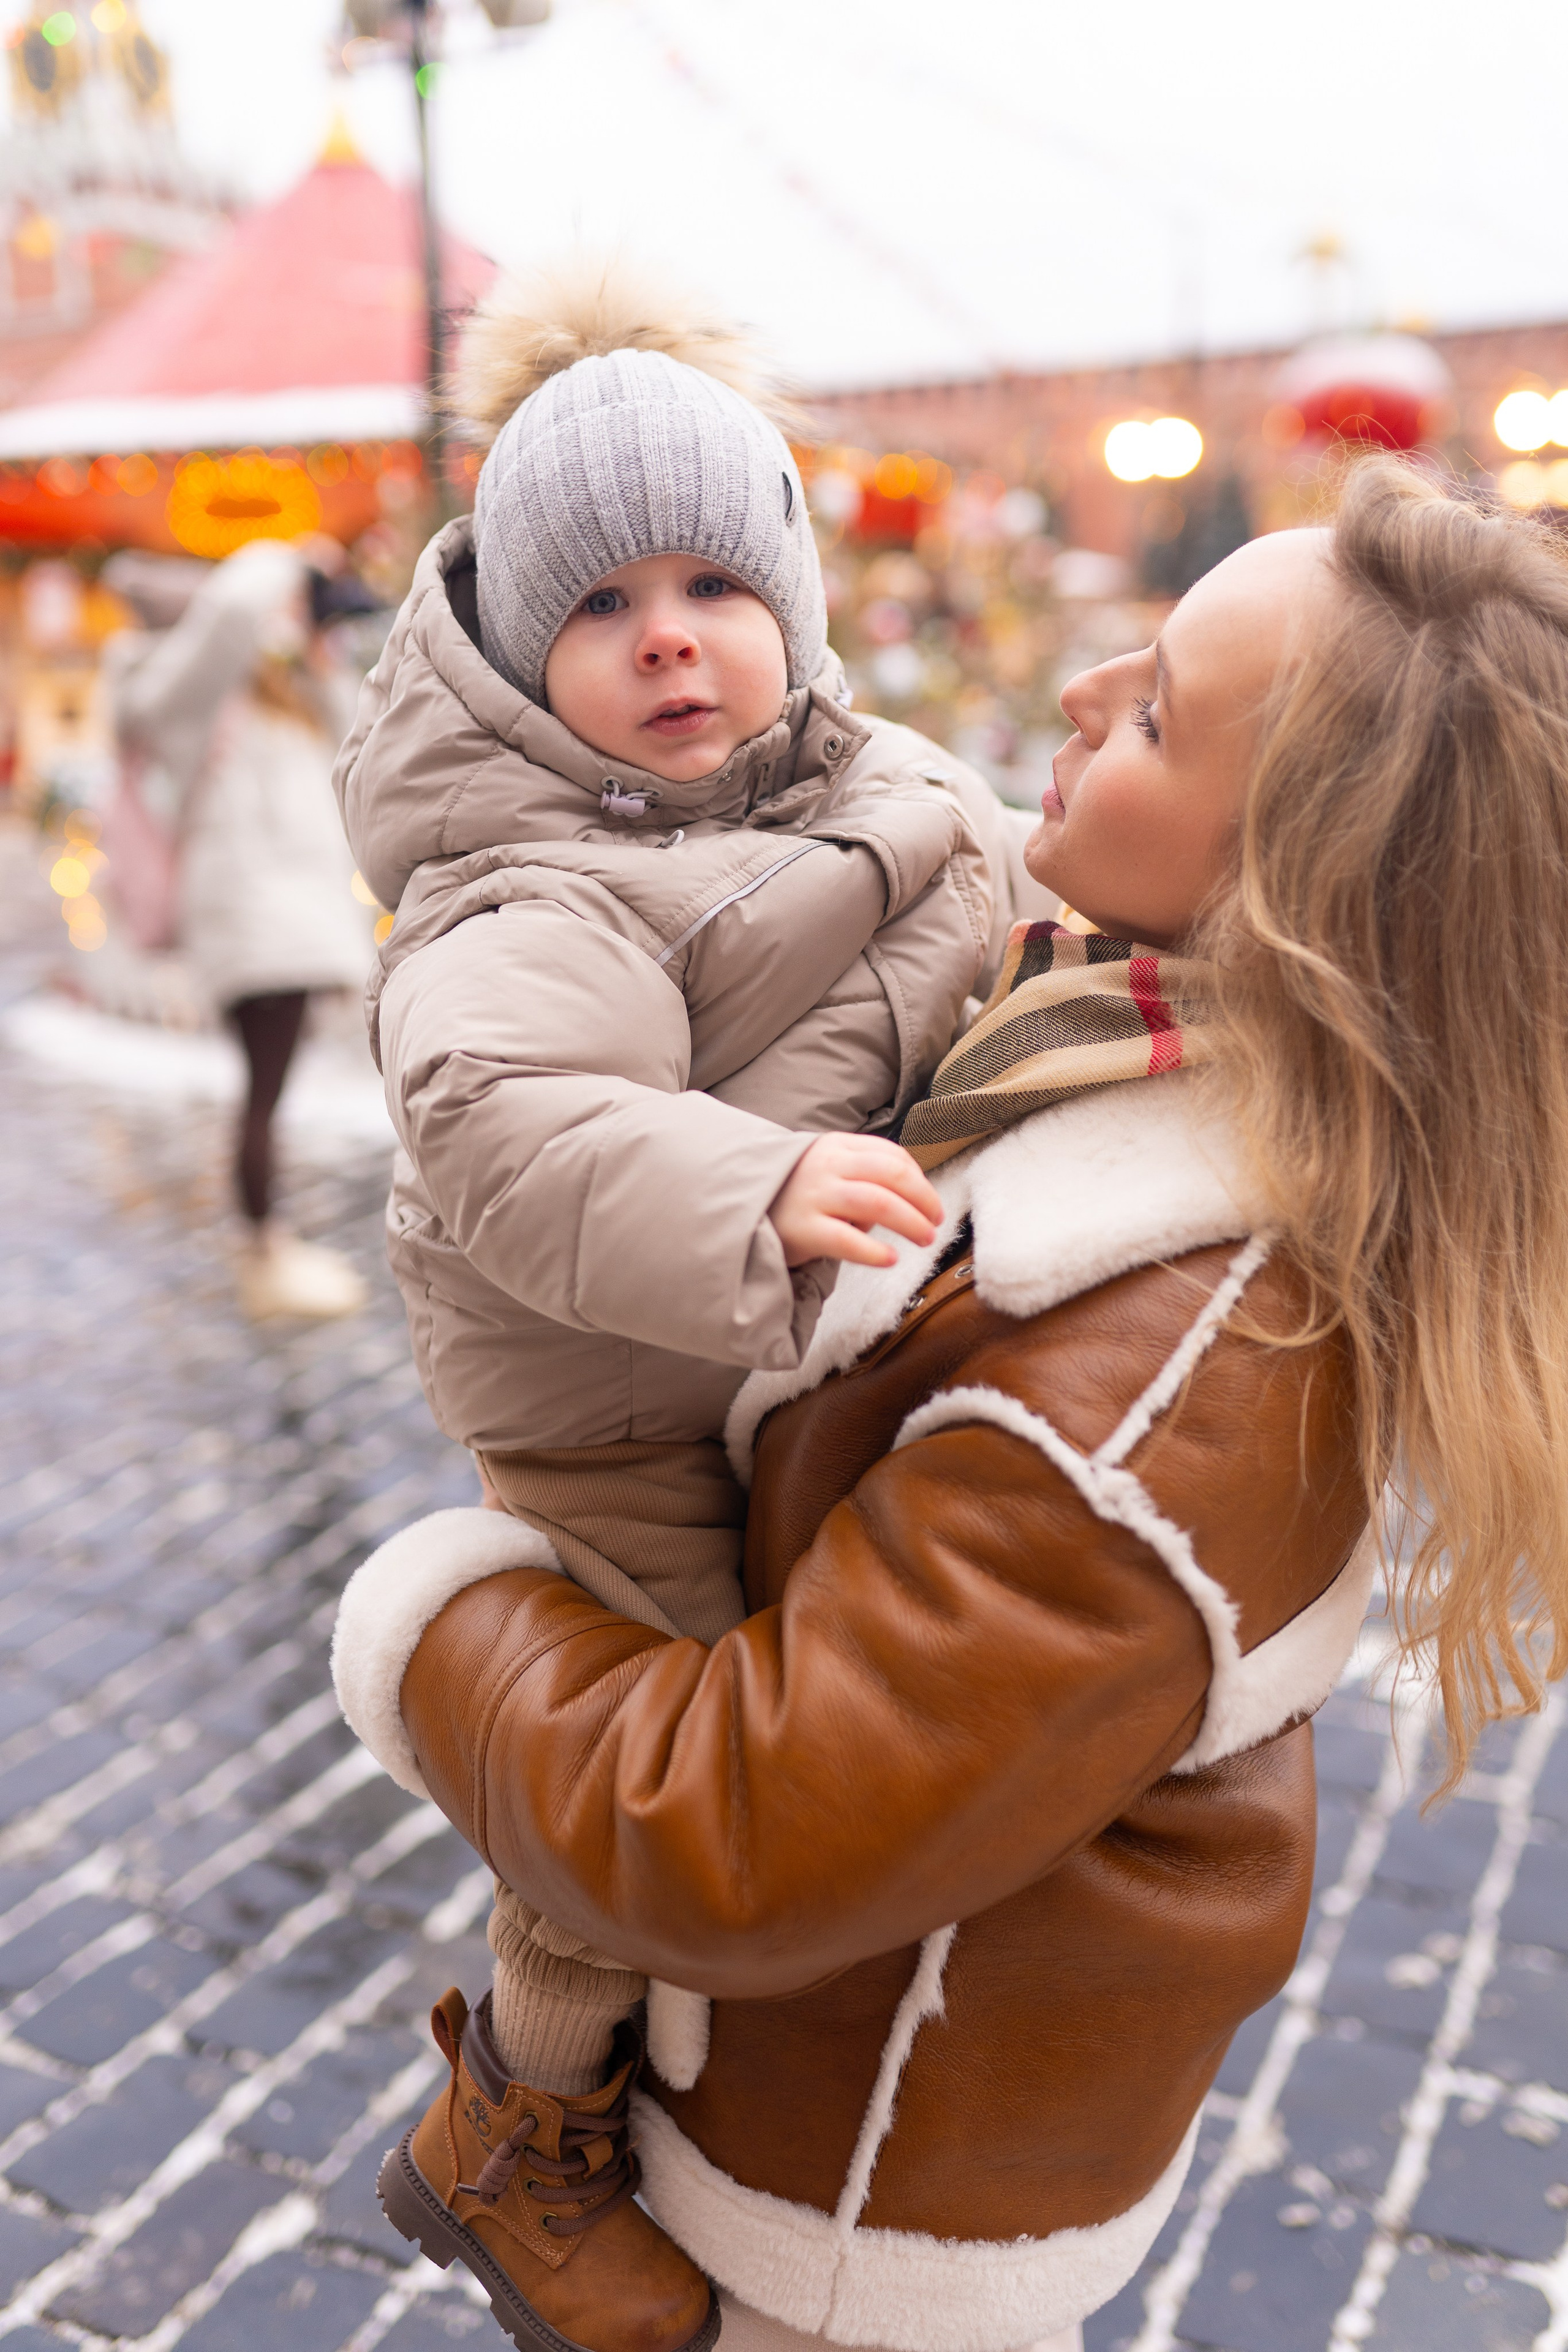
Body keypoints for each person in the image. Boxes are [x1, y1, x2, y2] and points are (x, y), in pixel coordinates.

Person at [333, 456, 1568, 2352]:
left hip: (844, 2212)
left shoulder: (1148, 1386)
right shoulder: (1094, 1015)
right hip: (812, 2075)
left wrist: (437, 1612)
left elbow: (731, 1830)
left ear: (1292, 881)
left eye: (1153, 713)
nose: (1079, 689)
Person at [331, 257, 1044, 2342]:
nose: (668, 636)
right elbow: (504, 1115)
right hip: (614, 1404)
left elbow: (1007, 885)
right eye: (602, 603)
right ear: (514, 657)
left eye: (716, 584)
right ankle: (522, 2113)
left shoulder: (879, 788)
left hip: (795, 1343)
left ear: (794, 609)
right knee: (660, 1783)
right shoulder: (525, 882)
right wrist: (754, 1184)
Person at [108, 540, 377, 1321]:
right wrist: (292, 559)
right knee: (263, 1091)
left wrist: (318, 647)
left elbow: (352, 739)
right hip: (254, 923)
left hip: (290, 919)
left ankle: (267, 1248)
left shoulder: (270, 686)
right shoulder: (175, 688)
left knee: (268, 1088)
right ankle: (263, 1251)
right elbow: (229, 614)